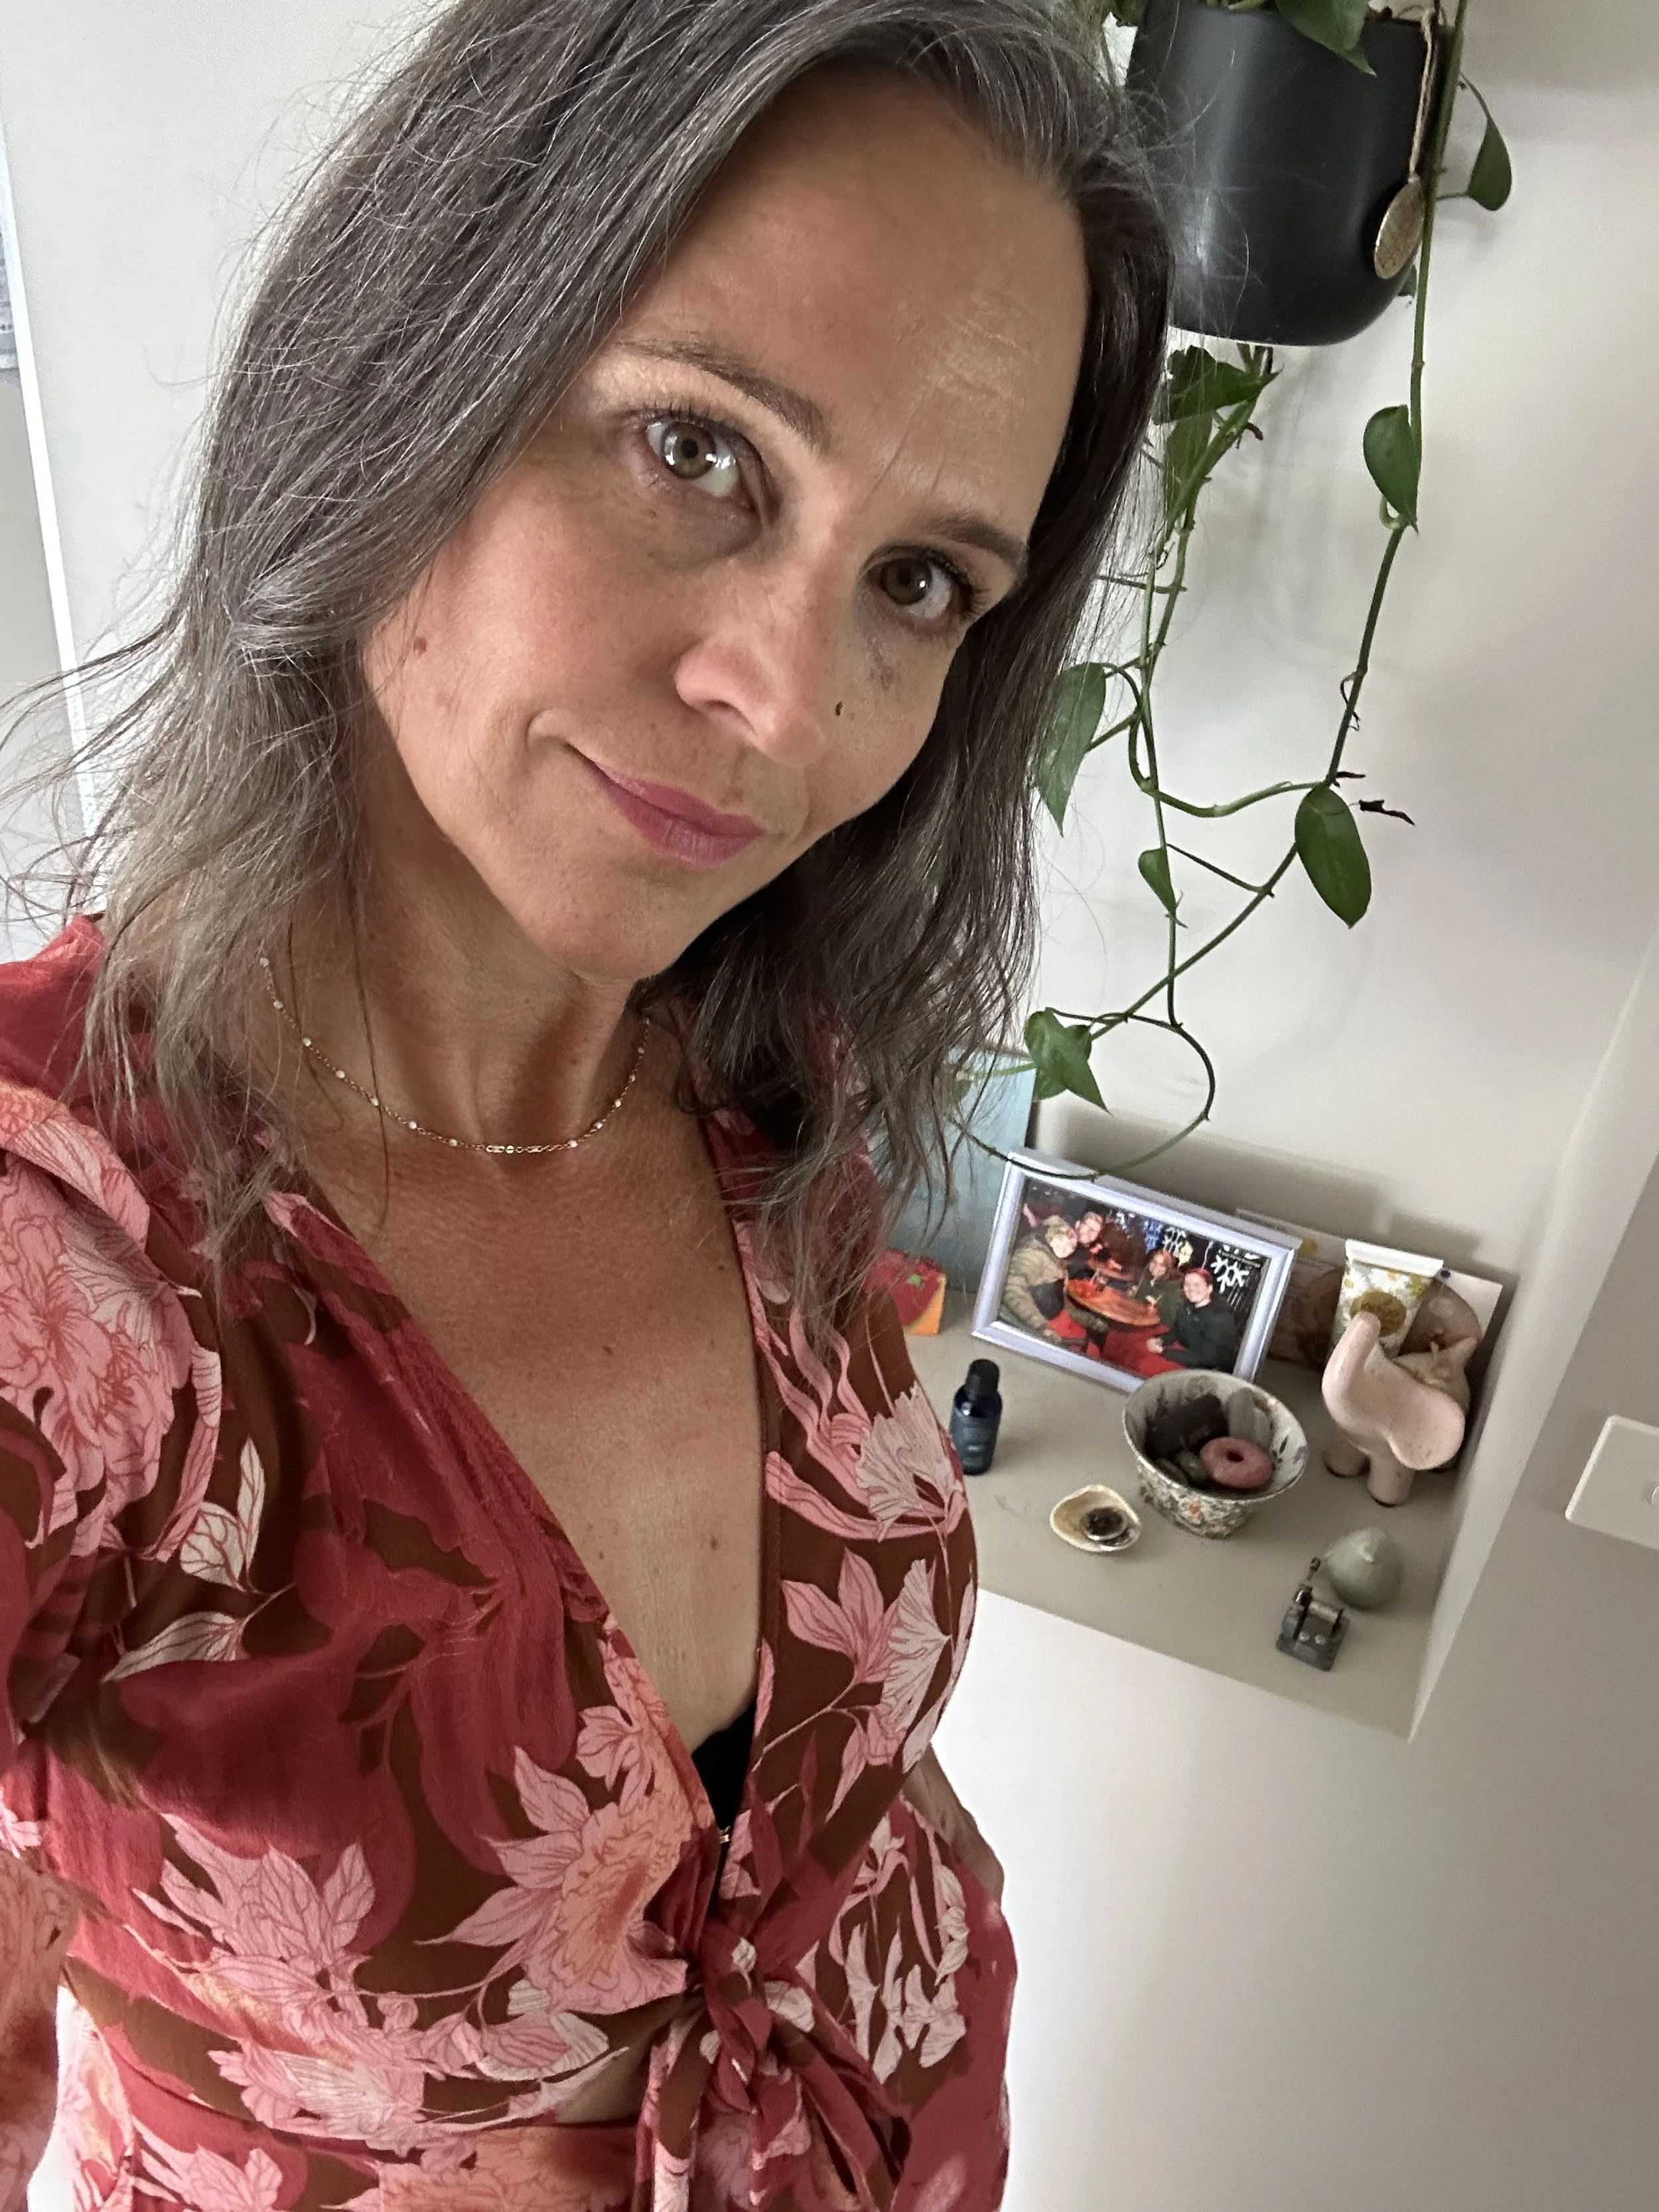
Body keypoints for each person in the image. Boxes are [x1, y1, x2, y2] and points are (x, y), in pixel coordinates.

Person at [0, 3, 1169, 2208]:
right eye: (702, 452)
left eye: (919, 582)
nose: (788, 701)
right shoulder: (70, 1248)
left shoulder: (765, 1082)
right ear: (408, 367)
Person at [999, 1215, 1080, 1342]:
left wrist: (1091, 1321)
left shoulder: (1060, 1265)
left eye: (1072, 1246)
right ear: (1051, 1236)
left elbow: (1063, 1303)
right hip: (1025, 1324)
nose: (1066, 1248)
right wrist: (1042, 1327)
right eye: (1061, 1239)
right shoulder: (1033, 1254)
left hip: (1052, 1321)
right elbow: (1011, 1288)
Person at [1149, 1268, 1244, 1372]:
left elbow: (1205, 1359)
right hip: (1189, 1355)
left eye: (1197, 1285)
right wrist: (1160, 1340)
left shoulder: (1220, 1319)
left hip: (1211, 1371)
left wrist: (1163, 1352)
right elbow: (1176, 1332)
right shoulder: (1186, 1306)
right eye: (1187, 1284)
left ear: (1209, 1289)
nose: (1191, 1289)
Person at [1133, 1243, 1184, 1327]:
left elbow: (1169, 1321)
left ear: (1168, 1269)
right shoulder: (1147, 1277)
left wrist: (1157, 1306)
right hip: (1138, 1319)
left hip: (1157, 1327)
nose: (1156, 1267)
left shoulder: (1173, 1289)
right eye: (1154, 1262)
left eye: (1162, 1265)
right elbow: (1137, 1300)